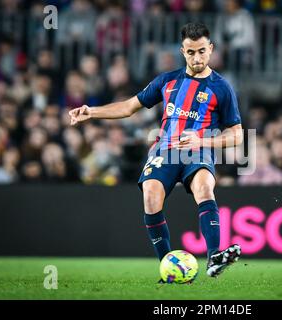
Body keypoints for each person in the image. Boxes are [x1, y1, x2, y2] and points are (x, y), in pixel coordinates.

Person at [68, 22, 243, 281]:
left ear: (211, 49)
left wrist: (202, 141)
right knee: (150, 196)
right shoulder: (167, 81)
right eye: (191, 52)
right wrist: (91, 112)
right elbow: (129, 107)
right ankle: (168, 267)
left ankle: (214, 257)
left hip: (198, 149)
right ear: (183, 51)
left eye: (202, 51)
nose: (197, 57)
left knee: (204, 188)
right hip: (165, 149)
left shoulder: (222, 87)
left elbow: (237, 135)